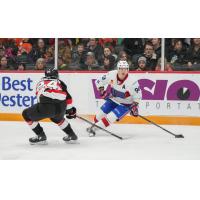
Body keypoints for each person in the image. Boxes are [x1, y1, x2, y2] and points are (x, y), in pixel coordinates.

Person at [22, 67, 78, 144]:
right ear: (56, 75)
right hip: (61, 106)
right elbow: (68, 97)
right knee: (57, 118)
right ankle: (72, 136)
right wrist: (69, 110)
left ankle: (41, 137)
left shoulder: (40, 83)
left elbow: (39, 99)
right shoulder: (60, 82)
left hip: (46, 107)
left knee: (25, 114)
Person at [86, 60, 141, 137]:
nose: (123, 71)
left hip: (126, 104)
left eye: (125, 69)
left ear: (128, 69)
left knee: (111, 117)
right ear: (118, 69)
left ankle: (93, 129)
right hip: (113, 100)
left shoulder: (132, 82)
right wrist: (102, 91)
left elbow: (138, 96)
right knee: (99, 116)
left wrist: (134, 106)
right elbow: (99, 81)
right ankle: (93, 126)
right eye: (121, 69)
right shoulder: (111, 75)